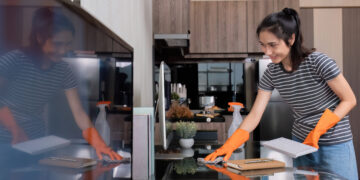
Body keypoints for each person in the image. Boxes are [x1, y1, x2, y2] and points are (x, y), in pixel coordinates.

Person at [205, 7, 358, 179]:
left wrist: (319, 130)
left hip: (334, 143)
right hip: (301, 144)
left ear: (291, 39)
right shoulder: (271, 73)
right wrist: (230, 144)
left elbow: (349, 100)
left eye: (273, 45)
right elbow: (255, 115)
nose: (267, 52)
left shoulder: (318, 62)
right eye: (263, 45)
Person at [0, 7, 122, 161]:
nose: (63, 50)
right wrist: (14, 128)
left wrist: (98, 143)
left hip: (36, 142)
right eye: (57, 44)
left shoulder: (63, 70)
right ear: (39, 38)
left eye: (68, 44)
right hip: (5, 142)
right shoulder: (15, 60)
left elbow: (78, 113)